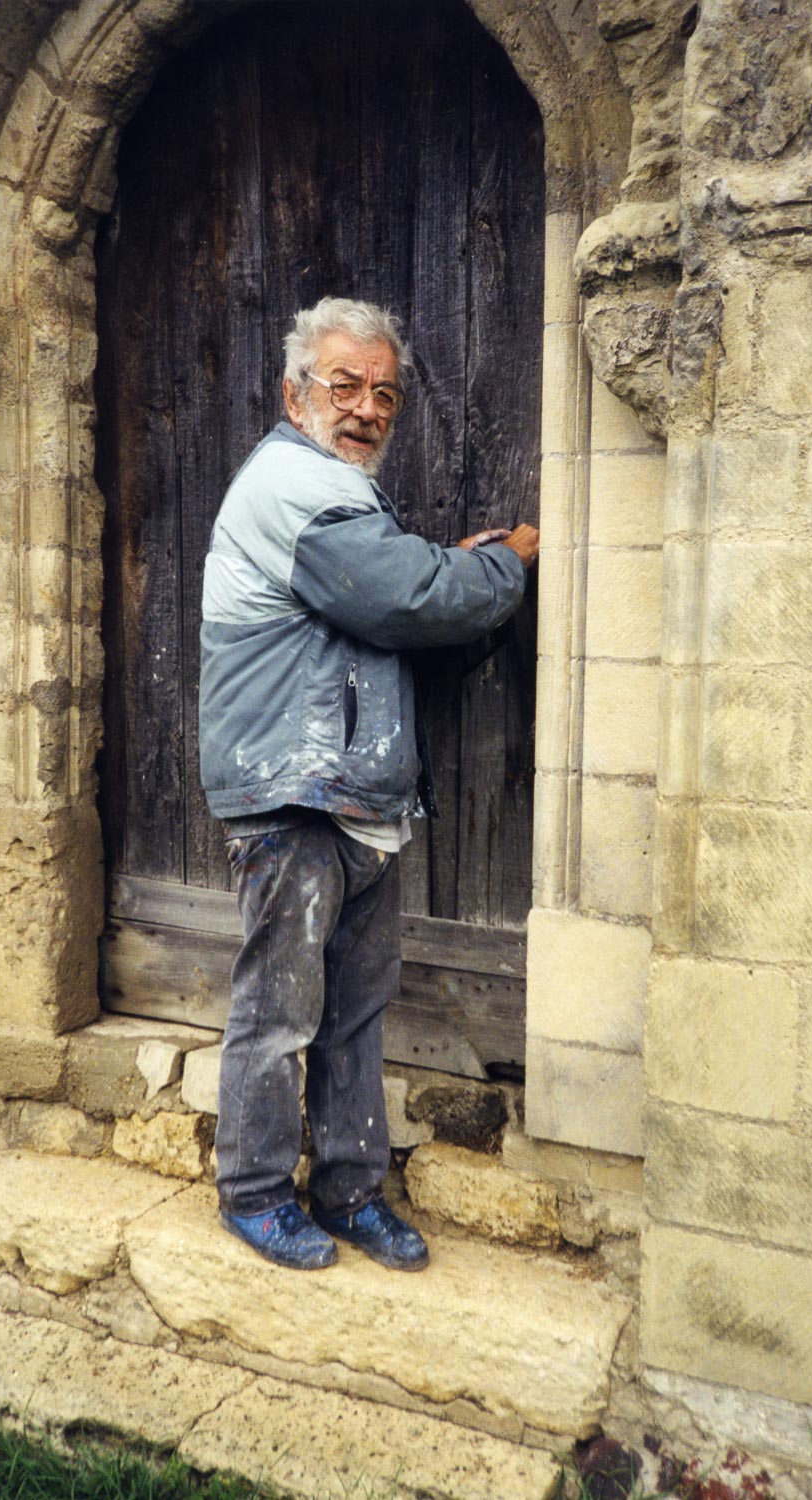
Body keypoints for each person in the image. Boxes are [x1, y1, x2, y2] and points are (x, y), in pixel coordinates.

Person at [199, 297, 539, 1272]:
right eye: (344, 386)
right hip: (294, 797)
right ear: (294, 393)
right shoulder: (295, 488)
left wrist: (457, 579)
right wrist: (500, 570)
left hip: (359, 796)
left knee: (353, 1014)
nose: (366, 408)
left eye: (384, 393)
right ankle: (255, 1193)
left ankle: (350, 1192)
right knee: (279, 1012)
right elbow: (407, 596)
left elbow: (400, 616)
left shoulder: (345, 498)